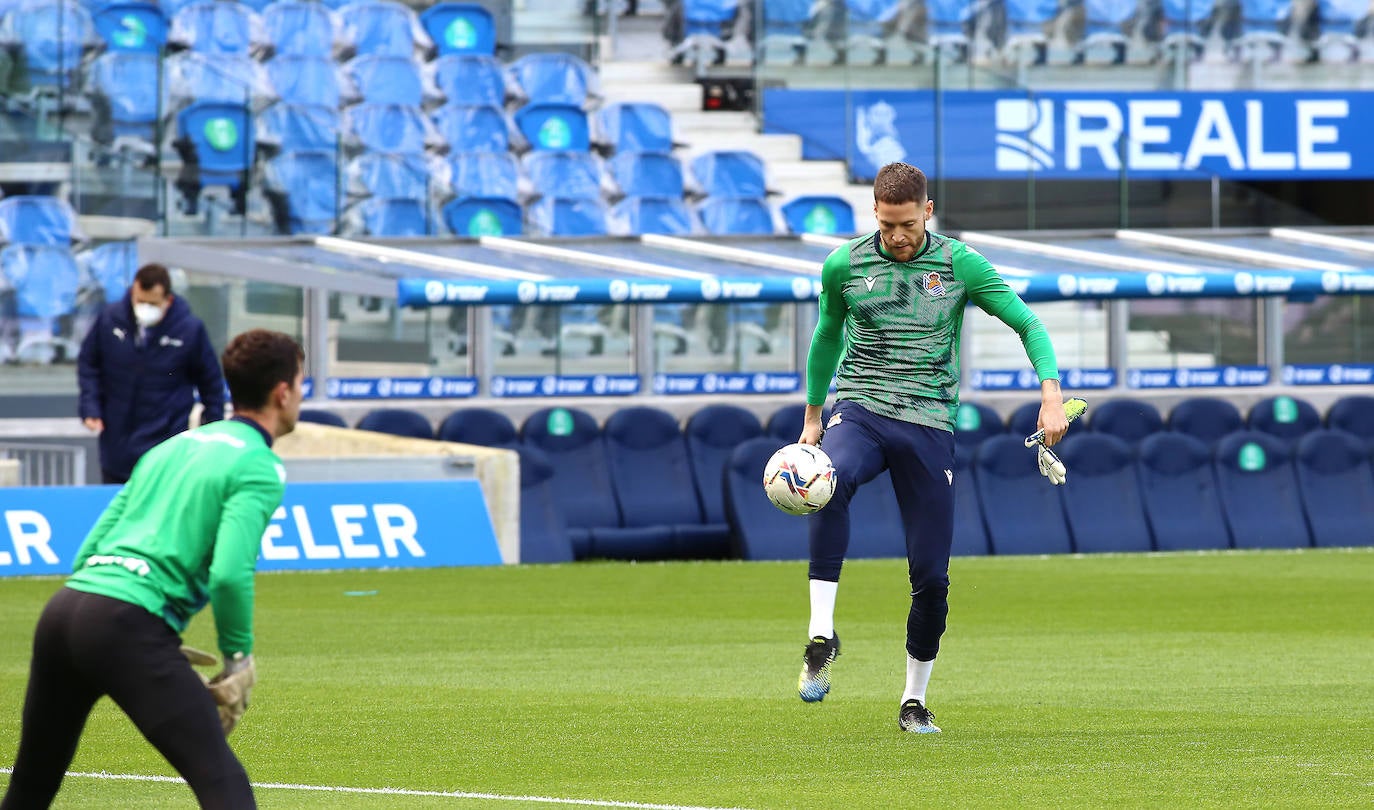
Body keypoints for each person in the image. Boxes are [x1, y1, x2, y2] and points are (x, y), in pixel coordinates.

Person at [795, 162, 1068, 733]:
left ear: (929, 211)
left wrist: (1050, 396)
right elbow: (825, 338)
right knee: (828, 481)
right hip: (862, 408)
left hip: (929, 424)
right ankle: (821, 634)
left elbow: (1029, 325)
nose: (898, 236)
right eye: (889, 224)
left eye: (909, 224)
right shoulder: (843, 265)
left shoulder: (959, 263)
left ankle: (913, 701)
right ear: (875, 211)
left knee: (932, 575)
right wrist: (814, 417)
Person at [2, 329, 305, 809]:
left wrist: (116, 623)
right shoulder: (259, 465)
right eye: (301, 383)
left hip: (65, 612)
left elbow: (90, 548)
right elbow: (229, 573)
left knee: (33, 785)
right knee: (223, 783)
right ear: (283, 391)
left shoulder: (174, 446)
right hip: (125, 623)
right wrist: (238, 659)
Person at [78, 262, 226, 485]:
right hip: (117, 444)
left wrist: (212, 427)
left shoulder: (189, 330)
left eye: (152, 303)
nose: (144, 308)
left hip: (166, 445)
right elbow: (89, 363)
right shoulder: (110, 320)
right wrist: (90, 406)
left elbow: (211, 382)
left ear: (168, 300)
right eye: (140, 301)